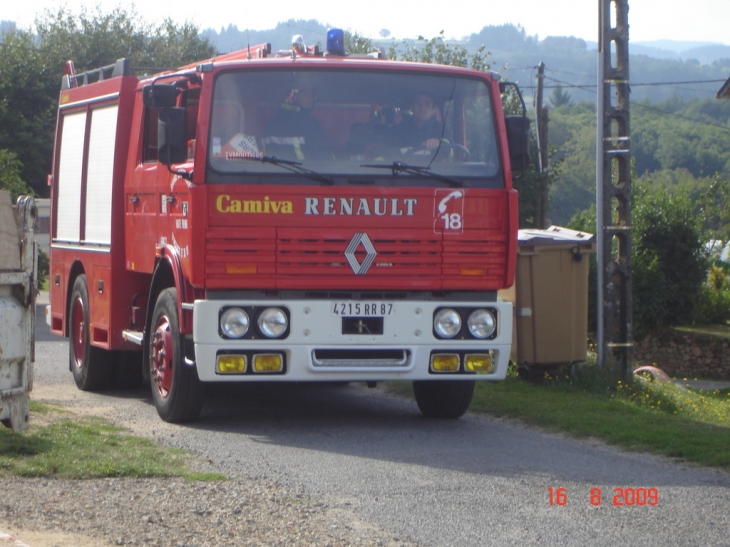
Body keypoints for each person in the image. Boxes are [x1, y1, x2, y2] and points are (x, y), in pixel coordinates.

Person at [262, 82, 331, 161]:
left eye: (312, 96)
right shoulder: (308, 121)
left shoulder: (274, 119)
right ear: (294, 97)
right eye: (306, 95)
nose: (311, 99)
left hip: (276, 170)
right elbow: (323, 154)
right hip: (305, 170)